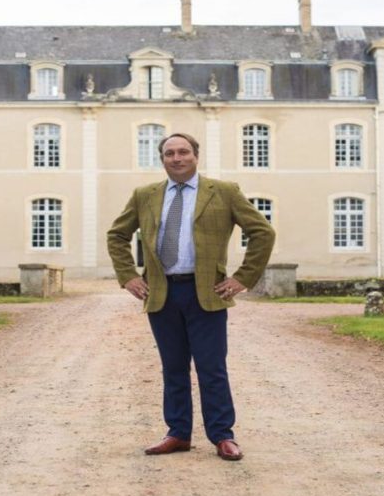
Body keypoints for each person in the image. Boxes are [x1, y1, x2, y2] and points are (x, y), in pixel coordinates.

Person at [106, 132, 275, 461]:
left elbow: (262, 232)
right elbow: (117, 235)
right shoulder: (145, 195)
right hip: (162, 292)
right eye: (170, 153)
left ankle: (222, 435)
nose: (177, 158)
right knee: (173, 368)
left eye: (183, 152)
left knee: (212, 368)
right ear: (162, 159)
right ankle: (178, 433)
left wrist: (243, 278)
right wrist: (127, 276)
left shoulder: (223, 192)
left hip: (206, 293)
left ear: (196, 156)